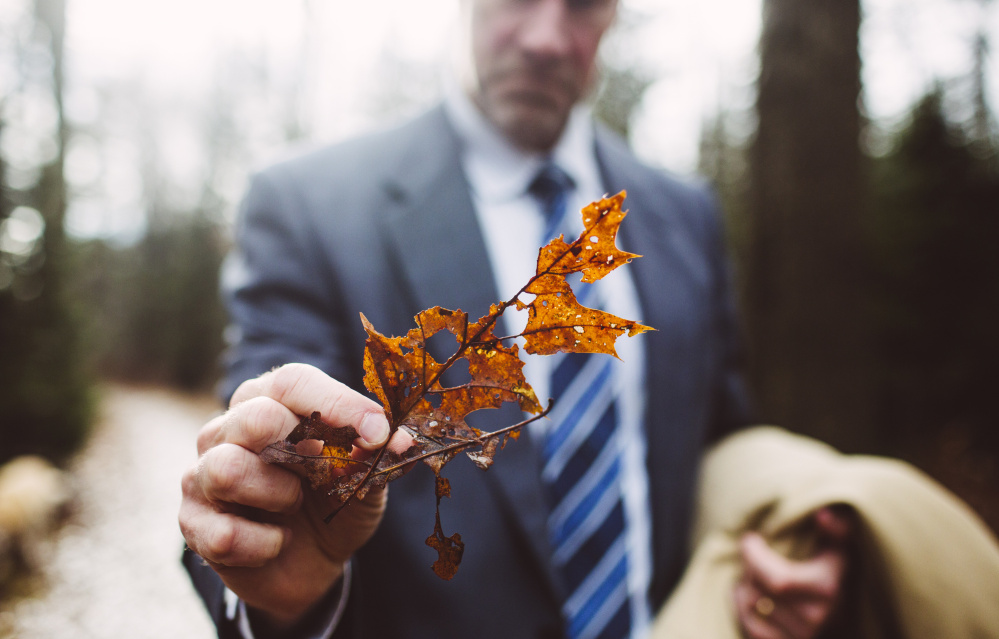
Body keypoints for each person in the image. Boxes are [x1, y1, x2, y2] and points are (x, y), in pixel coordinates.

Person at [179, 0, 851, 637]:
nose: (545, 39)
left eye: (582, 5)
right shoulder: (309, 207)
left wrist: (785, 549)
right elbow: (260, 474)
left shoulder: (685, 215)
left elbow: (719, 442)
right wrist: (281, 594)